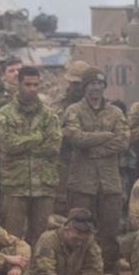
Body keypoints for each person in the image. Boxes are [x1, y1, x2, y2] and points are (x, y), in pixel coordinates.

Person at [62, 66, 129, 275]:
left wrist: (97, 150)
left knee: (110, 233)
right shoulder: (73, 110)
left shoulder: (115, 112)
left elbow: (124, 140)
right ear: (84, 87)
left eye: (100, 84)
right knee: (79, 231)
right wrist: (106, 135)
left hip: (109, 183)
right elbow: (76, 137)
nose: (96, 88)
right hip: (82, 182)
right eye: (91, 84)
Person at [0, 66, 62, 245]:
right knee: (11, 237)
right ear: (18, 84)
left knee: (42, 236)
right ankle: (13, 272)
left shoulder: (49, 115)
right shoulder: (5, 114)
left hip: (44, 184)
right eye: (27, 84)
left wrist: (23, 144)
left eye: (35, 84)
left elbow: (54, 146)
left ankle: (38, 271)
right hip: (16, 184)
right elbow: (7, 145)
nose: (32, 89)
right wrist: (38, 137)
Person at [30, 208, 118, 275]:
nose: (79, 243)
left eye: (83, 240)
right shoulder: (48, 239)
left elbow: (95, 269)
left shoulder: (89, 240)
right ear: (66, 230)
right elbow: (45, 270)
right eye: (76, 239)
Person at [52, 60, 90, 215]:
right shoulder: (56, 107)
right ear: (69, 82)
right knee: (61, 205)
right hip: (64, 163)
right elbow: (49, 135)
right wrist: (66, 134)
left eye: (82, 84)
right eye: (75, 84)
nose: (79, 88)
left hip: (88, 164)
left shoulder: (96, 106)